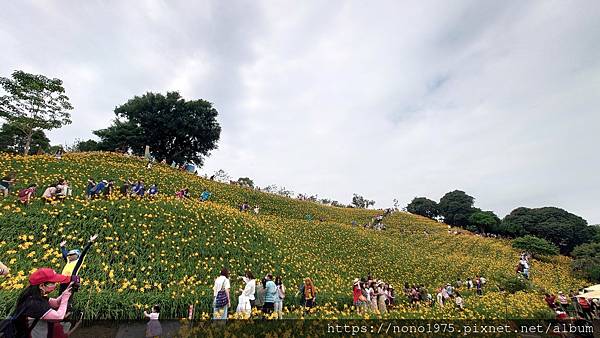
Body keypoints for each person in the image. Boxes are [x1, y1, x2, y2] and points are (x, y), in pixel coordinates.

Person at [13, 268, 73, 338]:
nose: (55, 285)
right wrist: (65, 298)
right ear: (41, 286)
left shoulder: (33, 296)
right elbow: (58, 317)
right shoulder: (34, 303)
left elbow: (56, 303)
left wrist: (65, 293)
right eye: (53, 283)